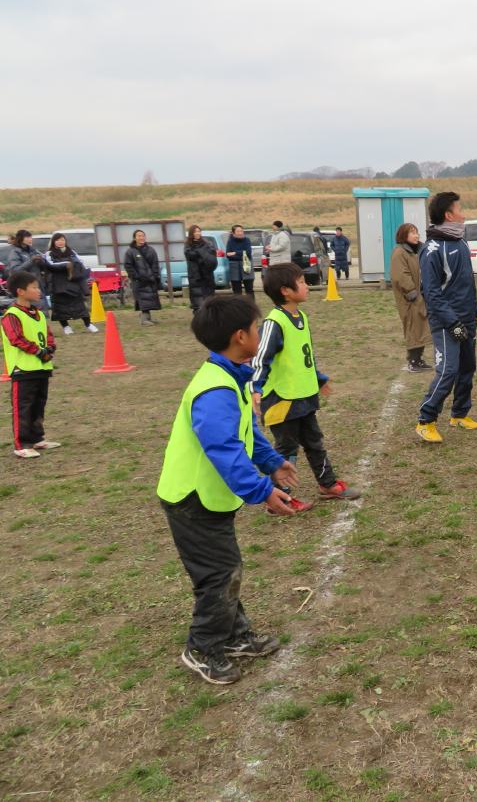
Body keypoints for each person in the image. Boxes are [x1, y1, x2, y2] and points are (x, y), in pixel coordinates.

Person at [158, 295, 301, 685]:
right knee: (220, 573)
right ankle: (202, 647)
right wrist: (262, 490)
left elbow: (245, 431)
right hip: (191, 499)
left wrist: (271, 461)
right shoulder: (215, 389)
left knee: (224, 567)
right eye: (256, 328)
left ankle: (235, 636)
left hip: (208, 498)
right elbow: (224, 449)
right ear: (240, 336)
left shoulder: (231, 375)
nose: (259, 333)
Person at [251, 262, 360, 501]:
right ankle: (279, 497)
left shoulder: (300, 317)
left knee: (314, 442)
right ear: (285, 291)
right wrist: (255, 388)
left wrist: (319, 379)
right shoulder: (274, 323)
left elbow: (302, 356)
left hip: (303, 395)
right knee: (286, 448)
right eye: (301, 282)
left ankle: (327, 484)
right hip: (282, 398)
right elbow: (260, 358)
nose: (307, 285)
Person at [415, 191, 477, 442]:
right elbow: (431, 293)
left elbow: (465, 283)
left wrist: (472, 312)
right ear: (448, 215)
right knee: (448, 371)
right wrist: (452, 322)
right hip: (446, 323)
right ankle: (426, 420)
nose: (463, 214)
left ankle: (459, 414)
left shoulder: (461, 242)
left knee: (467, 368)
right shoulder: (432, 249)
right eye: (459, 209)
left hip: (467, 318)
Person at [2, 271, 58, 459]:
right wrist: (38, 352)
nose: (38, 290)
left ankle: (37, 438)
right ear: (20, 291)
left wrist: (50, 348)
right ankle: (22, 444)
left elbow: (48, 335)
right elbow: (16, 338)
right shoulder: (12, 315)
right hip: (23, 369)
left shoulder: (39, 314)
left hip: (41, 368)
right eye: (34, 287)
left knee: (38, 405)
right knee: (23, 408)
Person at [389, 223, 432, 372]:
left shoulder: (417, 251)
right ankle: (413, 361)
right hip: (409, 298)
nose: (416, 235)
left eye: (417, 232)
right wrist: (412, 292)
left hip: (420, 295)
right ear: (404, 235)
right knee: (413, 327)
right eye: (412, 233)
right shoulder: (399, 252)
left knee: (420, 327)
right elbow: (400, 275)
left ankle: (418, 359)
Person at [43, 232, 96, 333]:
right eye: (58, 240)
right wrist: (67, 264)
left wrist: (84, 274)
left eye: (62, 240)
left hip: (73, 283)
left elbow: (81, 263)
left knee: (80, 305)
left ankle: (88, 324)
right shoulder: (49, 253)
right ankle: (66, 327)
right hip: (58, 285)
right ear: (53, 242)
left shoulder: (72, 252)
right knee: (60, 308)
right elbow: (51, 264)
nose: (60, 242)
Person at [124, 229, 163, 325]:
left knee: (149, 299)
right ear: (134, 238)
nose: (141, 237)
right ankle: (144, 319)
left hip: (150, 280)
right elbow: (128, 266)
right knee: (143, 300)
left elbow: (155, 264)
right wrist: (136, 276)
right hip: (139, 281)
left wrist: (154, 276)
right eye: (139, 236)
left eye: (143, 236)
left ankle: (147, 318)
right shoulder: (130, 252)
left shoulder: (151, 250)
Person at [2, 231, 47, 310]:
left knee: (42, 314)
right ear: (21, 239)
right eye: (27, 237)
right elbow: (15, 271)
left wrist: (41, 261)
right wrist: (31, 261)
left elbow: (45, 267)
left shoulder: (33, 251)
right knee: (29, 313)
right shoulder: (15, 252)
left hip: (38, 287)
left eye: (30, 237)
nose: (30, 239)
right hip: (26, 288)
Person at [184, 224, 217, 311]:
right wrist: (201, 254)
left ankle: (209, 314)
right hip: (195, 275)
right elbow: (190, 255)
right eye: (195, 232)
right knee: (197, 297)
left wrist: (200, 254)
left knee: (209, 297)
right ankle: (198, 312)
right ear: (191, 233)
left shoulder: (207, 243)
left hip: (207, 274)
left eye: (199, 231)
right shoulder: (188, 245)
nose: (197, 233)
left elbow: (212, 254)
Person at [225, 225, 255, 297]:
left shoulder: (247, 240)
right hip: (234, 267)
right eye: (238, 231)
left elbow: (248, 253)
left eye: (241, 231)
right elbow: (228, 255)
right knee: (236, 290)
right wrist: (242, 253)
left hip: (246, 265)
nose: (240, 233)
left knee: (249, 289)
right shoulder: (230, 241)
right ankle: (238, 303)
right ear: (233, 233)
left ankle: (250, 303)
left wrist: (235, 253)